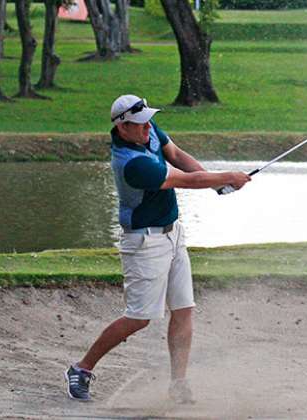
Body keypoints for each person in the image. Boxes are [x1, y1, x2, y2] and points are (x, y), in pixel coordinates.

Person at [64, 94, 251, 403]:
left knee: (184, 309)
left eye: (148, 119)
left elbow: (176, 154)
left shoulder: (147, 130)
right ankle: (81, 369)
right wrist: (226, 176)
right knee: (139, 318)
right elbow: (185, 181)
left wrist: (216, 182)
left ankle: (178, 384)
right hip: (144, 243)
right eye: (139, 124)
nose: (147, 127)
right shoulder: (132, 164)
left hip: (173, 234)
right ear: (122, 127)